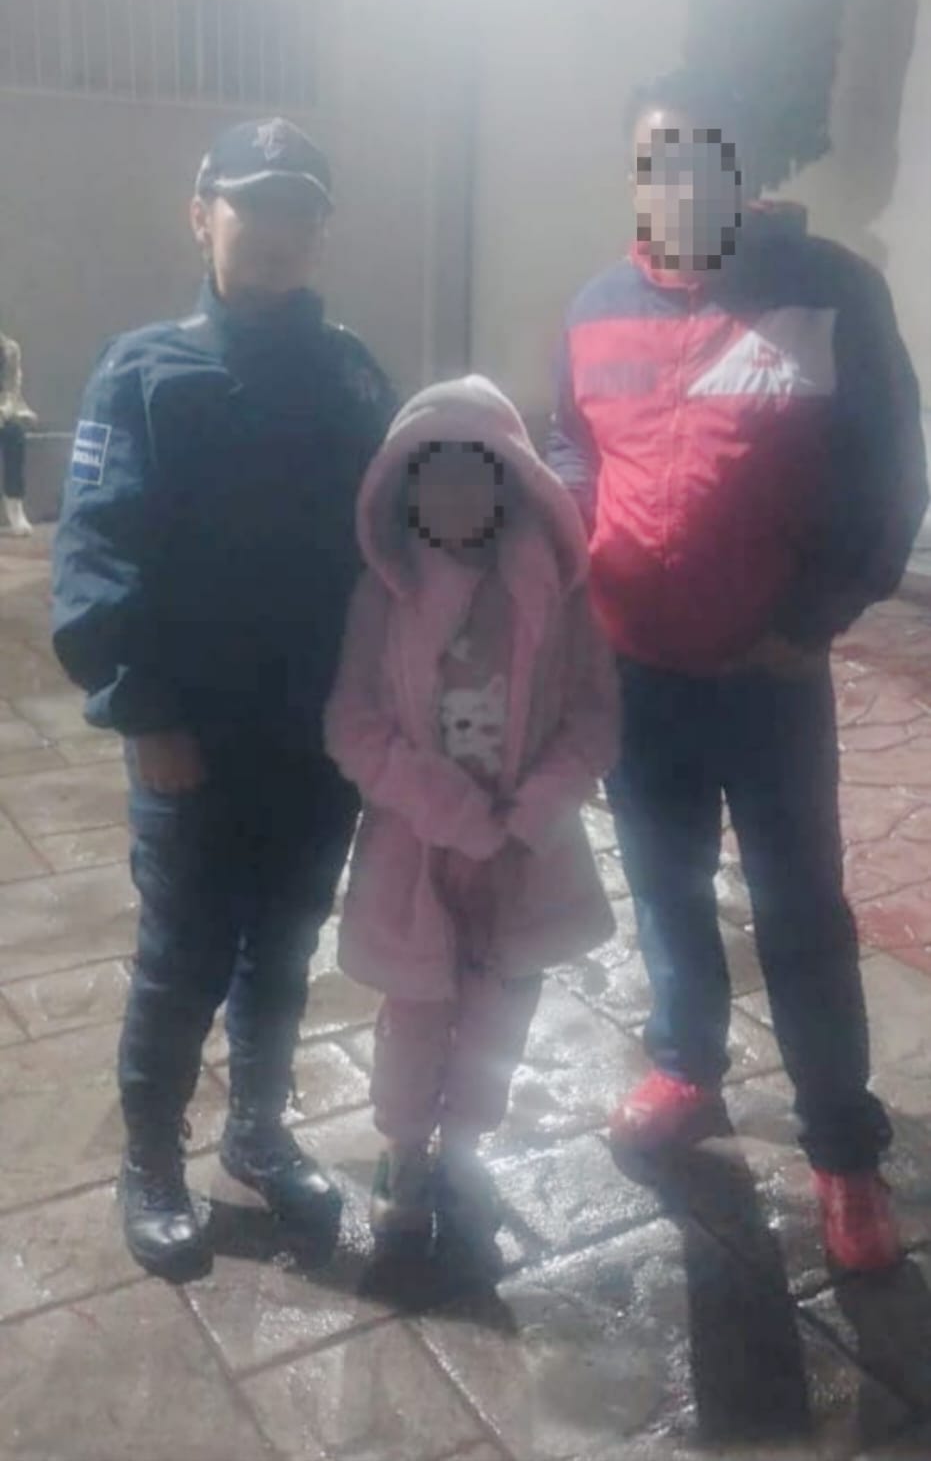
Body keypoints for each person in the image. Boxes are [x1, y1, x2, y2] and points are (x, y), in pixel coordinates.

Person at [548, 67, 928, 1274]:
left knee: (800, 913)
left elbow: (888, 471)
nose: (679, 179)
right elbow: (573, 447)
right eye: (655, 157)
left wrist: (815, 617)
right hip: (638, 674)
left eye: (702, 154)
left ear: (741, 168)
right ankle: (686, 1068)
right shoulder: (593, 307)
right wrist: (567, 565)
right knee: (664, 891)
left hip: (770, 676)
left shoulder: (828, 292)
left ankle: (842, 1151)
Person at [52, 118, 397, 1279]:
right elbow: (97, 552)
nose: (278, 228)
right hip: (191, 741)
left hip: (319, 734)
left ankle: (256, 1131)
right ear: (201, 214)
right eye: (255, 203)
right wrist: (144, 710)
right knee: (183, 957)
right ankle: (152, 1156)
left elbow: (400, 534)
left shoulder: (352, 372)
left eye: (301, 208)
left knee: (285, 949)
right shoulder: (144, 371)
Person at [324, 375, 618, 1250]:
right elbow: (354, 725)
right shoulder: (384, 594)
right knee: (416, 1005)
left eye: (472, 472)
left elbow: (592, 719)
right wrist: (451, 812)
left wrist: (529, 814)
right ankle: (404, 1146)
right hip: (417, 852)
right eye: (432, 475)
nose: (452, 493)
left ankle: (463, 1146)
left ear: (512, 482)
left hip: (529, 853)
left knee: (502, 1003)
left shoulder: (556, 595)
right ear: (401, 488)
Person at [0, 330, 38, 536]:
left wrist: (3, 412)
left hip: (3, 413)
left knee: (14, 433)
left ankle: (14, 506)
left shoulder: (9, 349)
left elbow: (11, 390)